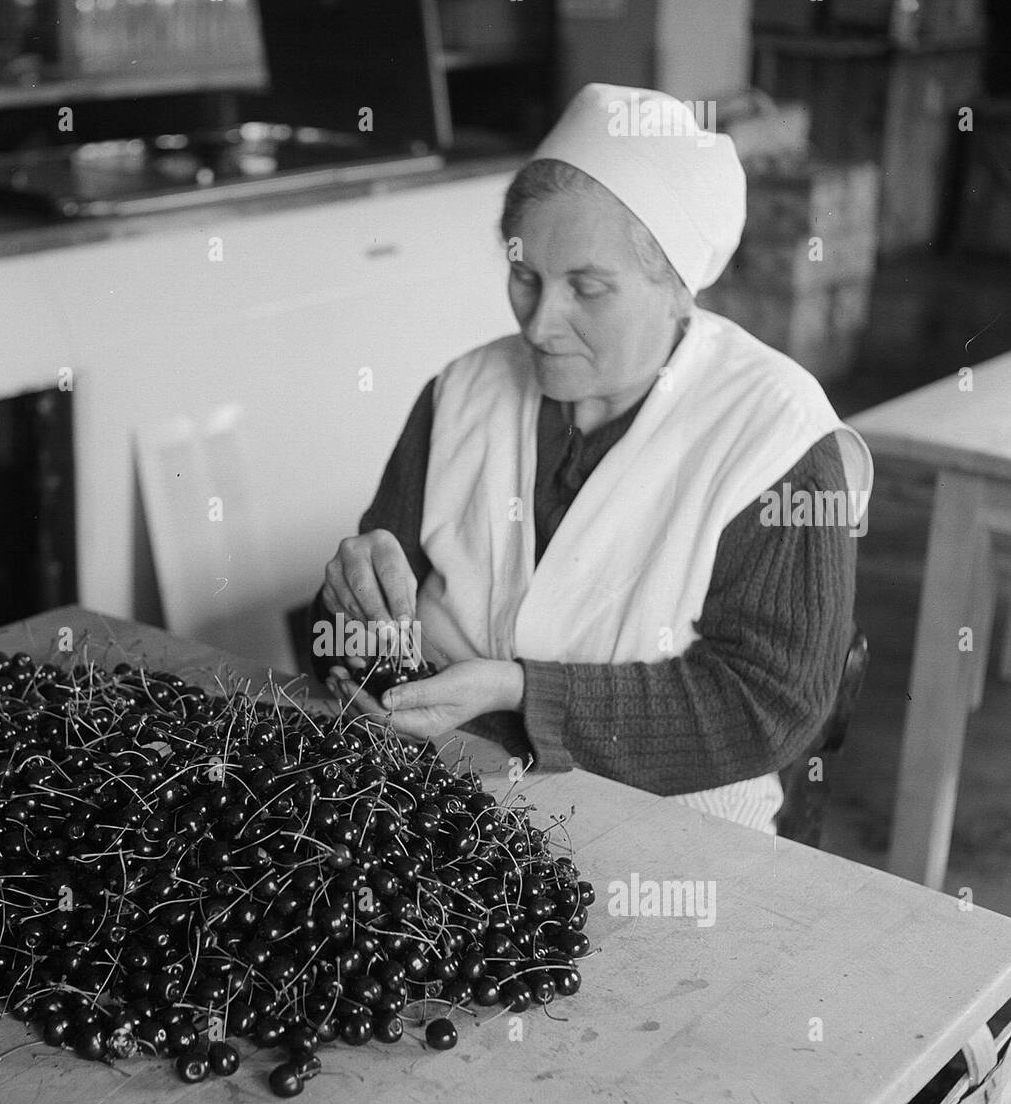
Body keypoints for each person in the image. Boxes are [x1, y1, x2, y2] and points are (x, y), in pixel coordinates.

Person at [315, 84, 873, 834]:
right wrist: (356, 607)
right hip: (440, 786)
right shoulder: (462, 394)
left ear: (677, 288)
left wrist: (521, 693)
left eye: (588, 288)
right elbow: (364, 627)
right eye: (526, 277)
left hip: (673, 829)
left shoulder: (774, 435)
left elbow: (768, 703)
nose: (542, 324)